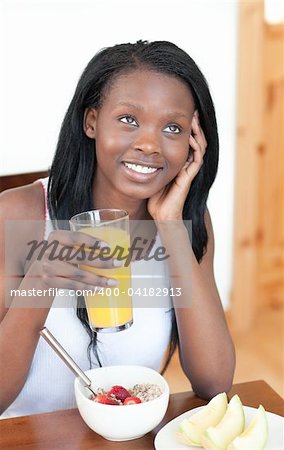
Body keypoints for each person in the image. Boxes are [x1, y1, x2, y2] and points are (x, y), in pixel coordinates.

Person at [0, 40, 235, 417]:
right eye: (128, 119)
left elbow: (214, 382)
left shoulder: (186, 223)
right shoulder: (17, 216)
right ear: (91, 121)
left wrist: (172, 226)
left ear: (193, 143)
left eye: (172, 127)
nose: (148, 144)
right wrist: (39, 282)